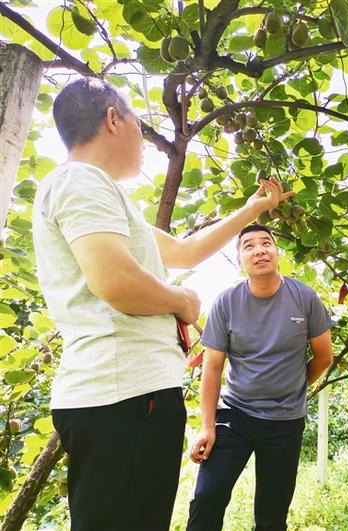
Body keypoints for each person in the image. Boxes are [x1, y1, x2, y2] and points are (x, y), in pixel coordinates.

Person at [32, 77, 292, 531]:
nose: (144, 137)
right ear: (113, 119)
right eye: (137, 120)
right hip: (124, 396)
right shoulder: (81, 180)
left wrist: (252, 210)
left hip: (131, 394)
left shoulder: (106, 198)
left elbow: (186, 251)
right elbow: (115, 282)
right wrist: (184, 301)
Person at [186, 223, 333, 531]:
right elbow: (213, 368)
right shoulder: (226, 303)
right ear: (239, 259)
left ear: (276, 252)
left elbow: (323, 357)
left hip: (285, 421)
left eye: (266, 243)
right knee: (207, 497)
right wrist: (206, 427)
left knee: (271, 514)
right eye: (249, 246)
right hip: (235, 415)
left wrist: (294, 387)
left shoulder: (305, 298)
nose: (259, 250)